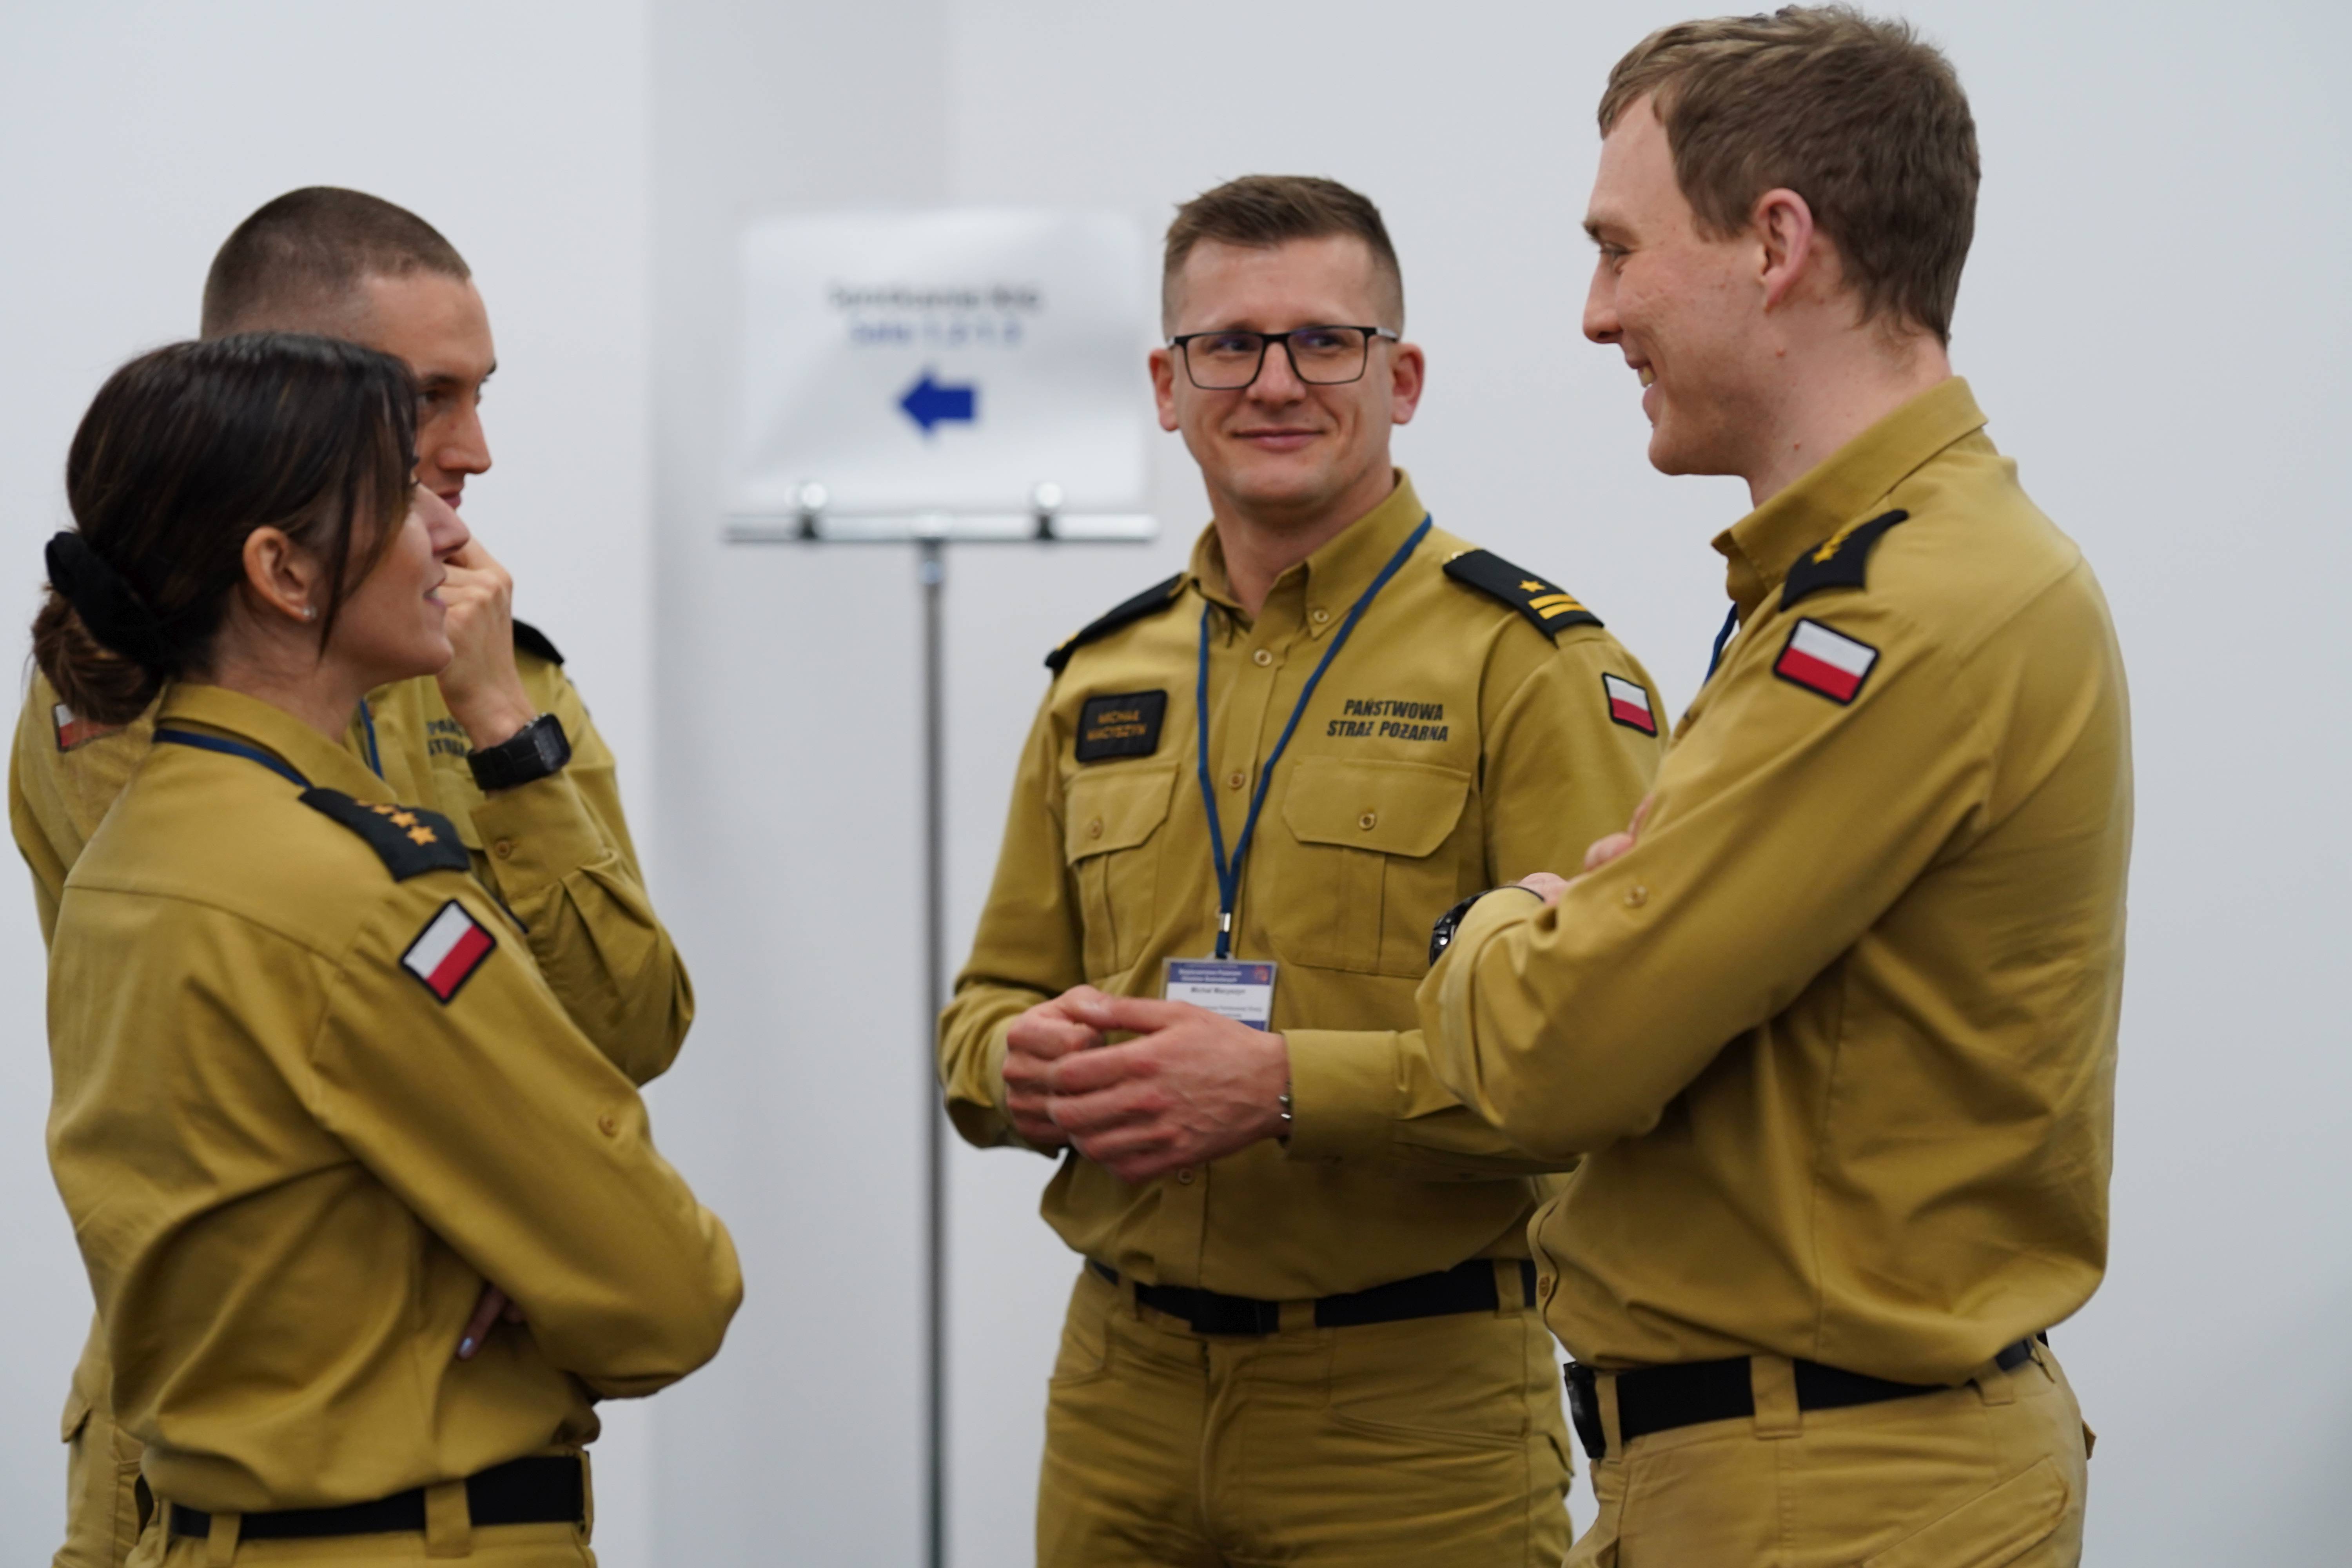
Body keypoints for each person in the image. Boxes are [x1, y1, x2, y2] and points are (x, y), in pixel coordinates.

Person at [1418, 10, 2129, 1565]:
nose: (1597, 315)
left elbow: (1557, 1052)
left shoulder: (1905, 613)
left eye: (1621, 251)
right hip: (1789, 1472)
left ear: (1777, 243)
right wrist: (1577, 924)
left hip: (1832, 1493)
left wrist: (1489, 930)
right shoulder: (1868, 578)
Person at [939, 176, 1666, 1566]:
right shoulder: (1103, 679)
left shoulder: (1530, 668)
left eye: (1326, 342)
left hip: (1410, 1412)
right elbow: (981, 1016)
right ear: (1169, 386)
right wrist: (1016, 1067)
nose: (1276, 383)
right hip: (1119, 1394)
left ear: (1403, 379)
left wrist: (1282, 1088)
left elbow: (1611, 1065)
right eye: (1229, 345)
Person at [11, 189, 692, 1568]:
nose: (475, 450)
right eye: (428, 400)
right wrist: (549, 1221)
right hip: (230, 1434)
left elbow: (628, 1026)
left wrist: (500, 726)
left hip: (441, 1419)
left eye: (481, 392)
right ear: (272, 393)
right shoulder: (123, 704)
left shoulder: (500, 667)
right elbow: (239, 1068)